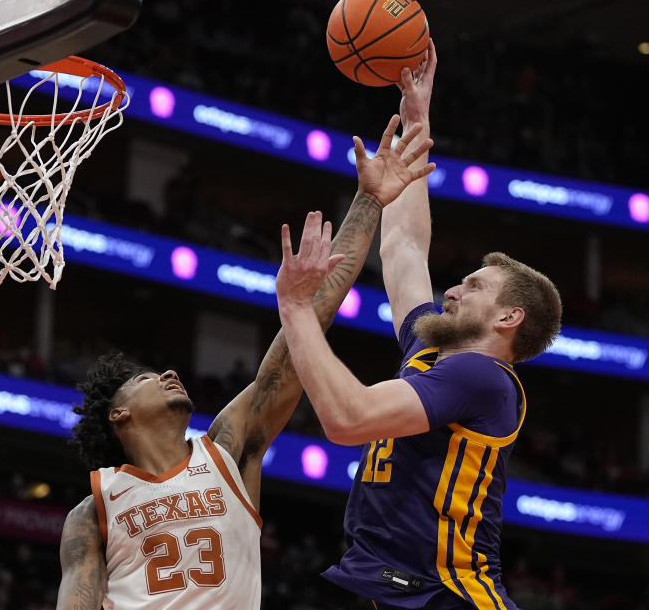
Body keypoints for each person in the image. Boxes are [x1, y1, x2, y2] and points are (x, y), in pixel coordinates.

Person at [55, 114, 435, 610]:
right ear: (118, 414)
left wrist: (369, 198)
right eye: (146, 378)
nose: (169, 373)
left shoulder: (228, 453)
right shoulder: (93, 511)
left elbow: (309, 321)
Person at [275, 40, 563, 610]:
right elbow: (405, 248)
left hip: (451, 598)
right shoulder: (432, 351)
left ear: (509, 318)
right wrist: (415, 123)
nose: (452, 288)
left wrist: (295, 306)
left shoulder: (483, 378)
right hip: (405, 593)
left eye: (475, 286)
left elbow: (347, 418)